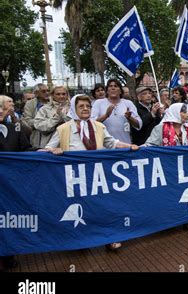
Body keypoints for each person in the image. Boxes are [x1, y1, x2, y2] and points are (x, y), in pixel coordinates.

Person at [43, 95, 139, 251]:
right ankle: (81, 241)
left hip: (97, 176)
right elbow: (47, 149)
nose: (86, 108)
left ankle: (109, 238)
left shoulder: (98, 126)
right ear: (74, 109)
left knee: (103, 208)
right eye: (81, 106)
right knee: (81, 210)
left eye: (88, 106)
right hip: (75, 178)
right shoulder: (63, 128)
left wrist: (129, 146)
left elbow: (111, 142)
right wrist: (54, 150)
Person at [144, 103, 188, 232]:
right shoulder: (160, 129)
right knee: (169, 194)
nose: (187, 115)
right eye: (183, 112)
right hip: (168, 169)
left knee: (186, 193)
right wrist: (137, 149)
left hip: (185, 168)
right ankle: (168, 222)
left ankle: (187, 219)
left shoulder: (187, 128)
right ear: (176, 113)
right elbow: (150, 145)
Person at [0, 104, 33, 271]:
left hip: (9, 186)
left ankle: (7, 255)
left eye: (1, 108)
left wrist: (45, 151)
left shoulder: (15, 128)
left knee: (6, 219)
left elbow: (26, 150)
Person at [92, 79, 142, 144]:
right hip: (104, 147)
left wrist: (130, 118)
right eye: (110, 86)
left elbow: (139, 125)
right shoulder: (98, 103)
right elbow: (91, 123)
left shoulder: (128, 103)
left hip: (125, 145)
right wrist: (106, 115)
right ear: (107, 91)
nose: (113, 88)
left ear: (120, 91)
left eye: (116, 86)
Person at [21, 83, 50, 148]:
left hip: (52, 136)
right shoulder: (30, 104)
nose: (47, 93)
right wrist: (47, 123)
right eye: (43, 91)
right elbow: (28, 121)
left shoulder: (53, 102)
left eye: (48, 90)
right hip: (37, 137)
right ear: (36, 93)